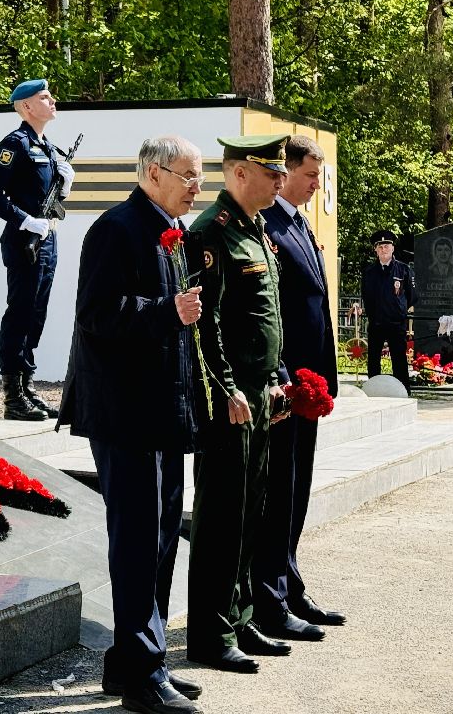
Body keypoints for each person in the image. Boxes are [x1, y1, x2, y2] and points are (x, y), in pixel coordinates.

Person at [57, 136, 205, 714]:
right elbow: (96, 316)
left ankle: (137, 662)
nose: (197, 185)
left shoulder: (172, 232)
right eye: (188, 175)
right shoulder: (115, 229)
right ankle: (144, 674)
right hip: (127, 414)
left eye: (199, 175)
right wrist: (167, 311)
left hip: (164, 408)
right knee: (140, 542)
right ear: (152, 173)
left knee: (163, 540)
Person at [185, 134, 294, 674]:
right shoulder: (212, 234)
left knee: (251, 509)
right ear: (238, 174)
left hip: (259, 391)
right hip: (230, 395)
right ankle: (208, 632)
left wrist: (273, 380)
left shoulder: (258, 232)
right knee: (222, 515)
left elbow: (264, 320)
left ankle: (240, 614)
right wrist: (226, 389)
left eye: (280, 172)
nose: (280, 180)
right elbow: (207, 324)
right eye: (270, 172)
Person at [255, 135, 347, 640]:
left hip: (309, 386)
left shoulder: (295, 223)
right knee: (279, 494)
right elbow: (274, 316)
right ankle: (270, 596)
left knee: (297, 491)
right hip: (287, 386)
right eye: (310, 176)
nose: (316, 185)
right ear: (285, 172)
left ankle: (289, 583)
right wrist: (288, 378)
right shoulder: (268, 225)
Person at [0, 79, 74, 420]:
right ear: (26, 107)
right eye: (44, 97)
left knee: (37, 314)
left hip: (48, 242)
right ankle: (12, 397)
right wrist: (24, 221)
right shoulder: (15, 144)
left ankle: (27, 387)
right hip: (24, 242)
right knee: (19, 313)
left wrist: (65, 183)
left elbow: (49, 200)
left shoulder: (49, 148)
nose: (52, 101)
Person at [361, 230, 414, 390]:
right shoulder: (369, 272)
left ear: (393, 248)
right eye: (380, 247)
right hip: (376, 322)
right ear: (375, 250)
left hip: (396, 323)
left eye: (387, 246)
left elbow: (411, 295)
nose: (384, 249)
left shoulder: (403, 270)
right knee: (373, 360)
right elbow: (366, 295)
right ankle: (373, 390)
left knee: (398, 359)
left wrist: (400, 309)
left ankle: (403, 389)